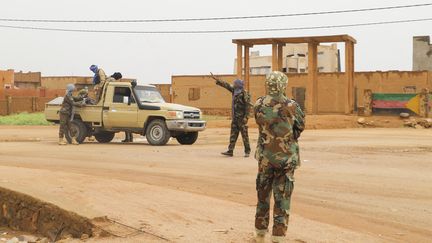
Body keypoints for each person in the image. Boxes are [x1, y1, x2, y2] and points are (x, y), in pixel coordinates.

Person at [253, 71, 305, 243]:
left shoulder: (259, 104)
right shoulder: (292, 106)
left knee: (263, 195)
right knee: (282, 198)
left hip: (265, 158)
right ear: (284, 85)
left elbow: (260, 124)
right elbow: (299, 128)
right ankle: (278, 237)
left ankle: (260, 234)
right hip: (286, 159)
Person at [212, 74, 251, 157]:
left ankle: (247, 151)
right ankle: (230, 151)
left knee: (244, 135)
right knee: (233, 134)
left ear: (240, 86)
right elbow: (226, 85)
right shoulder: (234, 90)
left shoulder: (245, 94)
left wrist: (246, 117)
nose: (234, 86)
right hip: (235, 118)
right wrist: (218, 80)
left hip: (242, 118)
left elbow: (248, 106)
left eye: (236, 85)